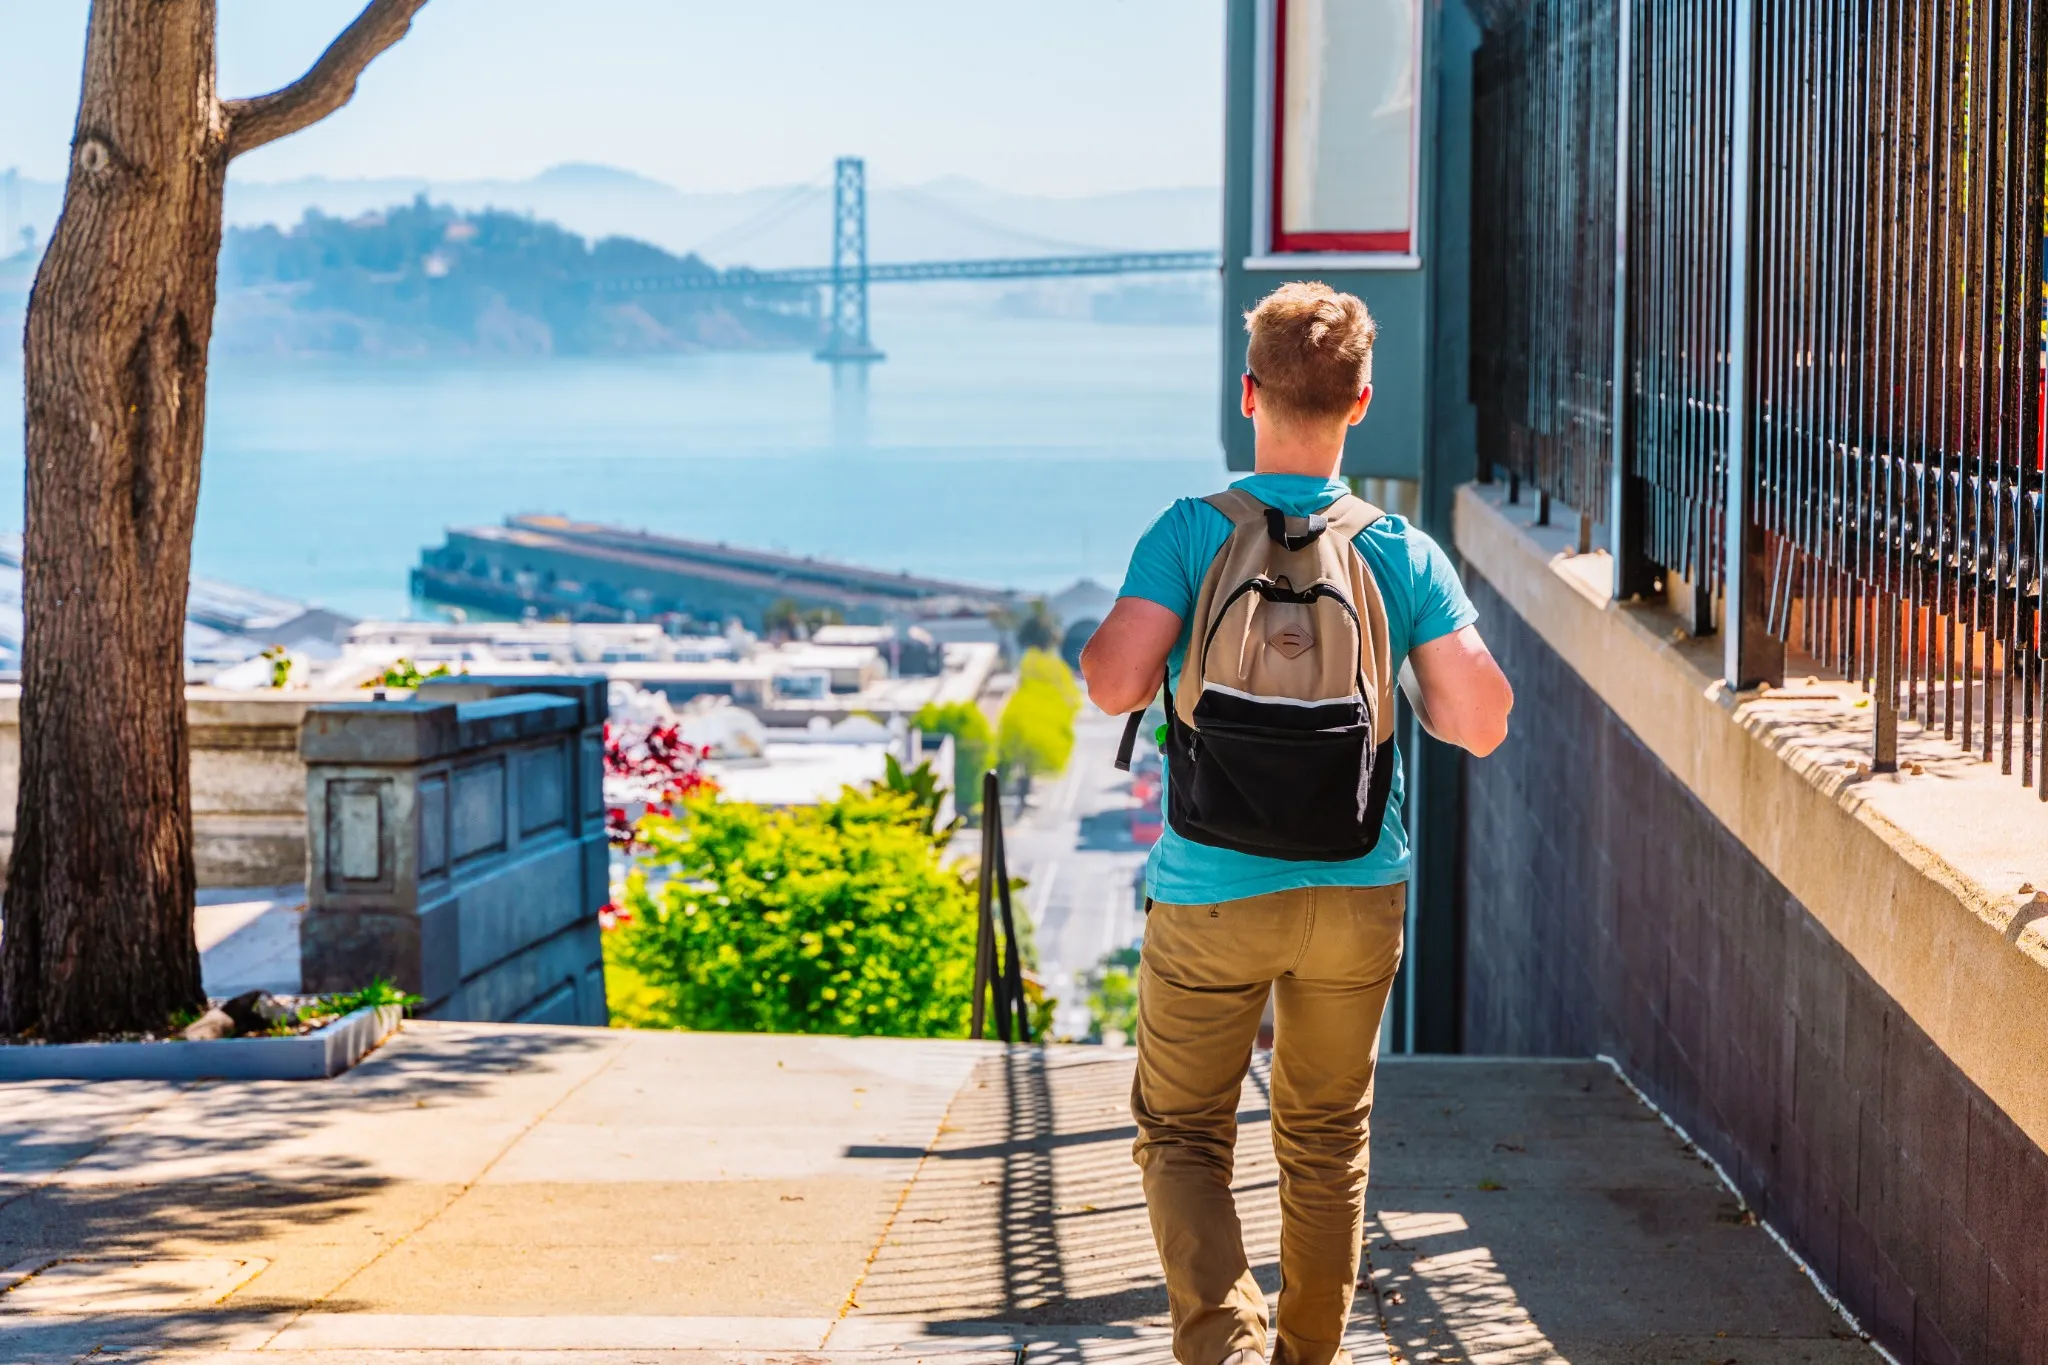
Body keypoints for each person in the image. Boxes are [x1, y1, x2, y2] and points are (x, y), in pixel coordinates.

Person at [1078, 281, 1514, 1365]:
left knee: (1183, 1132)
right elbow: (1479, 722)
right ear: (1360, 402)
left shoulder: (1190, 532)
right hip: (1355, 885)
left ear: (1248, 394)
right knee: (1324, 1140)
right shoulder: (1398, 550)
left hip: (1209, 888)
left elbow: (1113, 683)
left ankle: (1223, 1347)